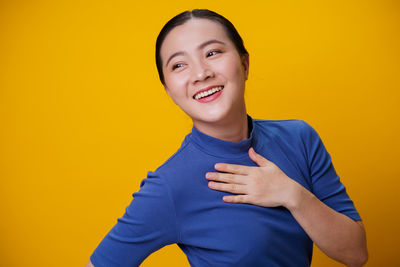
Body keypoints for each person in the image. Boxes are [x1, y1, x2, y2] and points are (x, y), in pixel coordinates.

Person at [87, 9, 368, 267]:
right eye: (179, 65)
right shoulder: (170, 185)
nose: (201, 73)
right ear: (169, 91)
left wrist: (292, 195)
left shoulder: (299, 138)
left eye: (212, 53)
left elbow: (355, 254)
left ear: (244, 64)